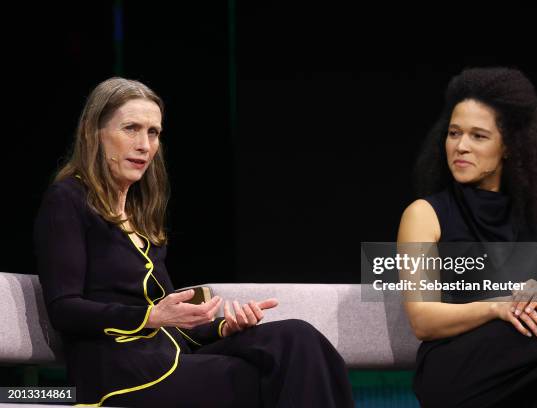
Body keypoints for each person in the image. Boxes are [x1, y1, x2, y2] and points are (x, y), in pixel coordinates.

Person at [33, 77, 354, 407]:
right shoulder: (68, 200)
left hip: (165, 354)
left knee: (298, 339)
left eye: (153, 132)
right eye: (131, 128)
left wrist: (224, 328)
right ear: (93, 132)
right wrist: (150, 317)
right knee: (257, 378)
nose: (144, 145)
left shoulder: (139, 211)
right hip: (116, 370)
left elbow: (175, 321)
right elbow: (64, 309)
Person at [397, 67, 537, 407]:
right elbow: (422, 320)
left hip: (530, 365)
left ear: (509, 146)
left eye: (478, 136)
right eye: (454, 133)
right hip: (455, 371)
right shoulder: (424, 215)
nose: (460, 146)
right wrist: (498, 307)